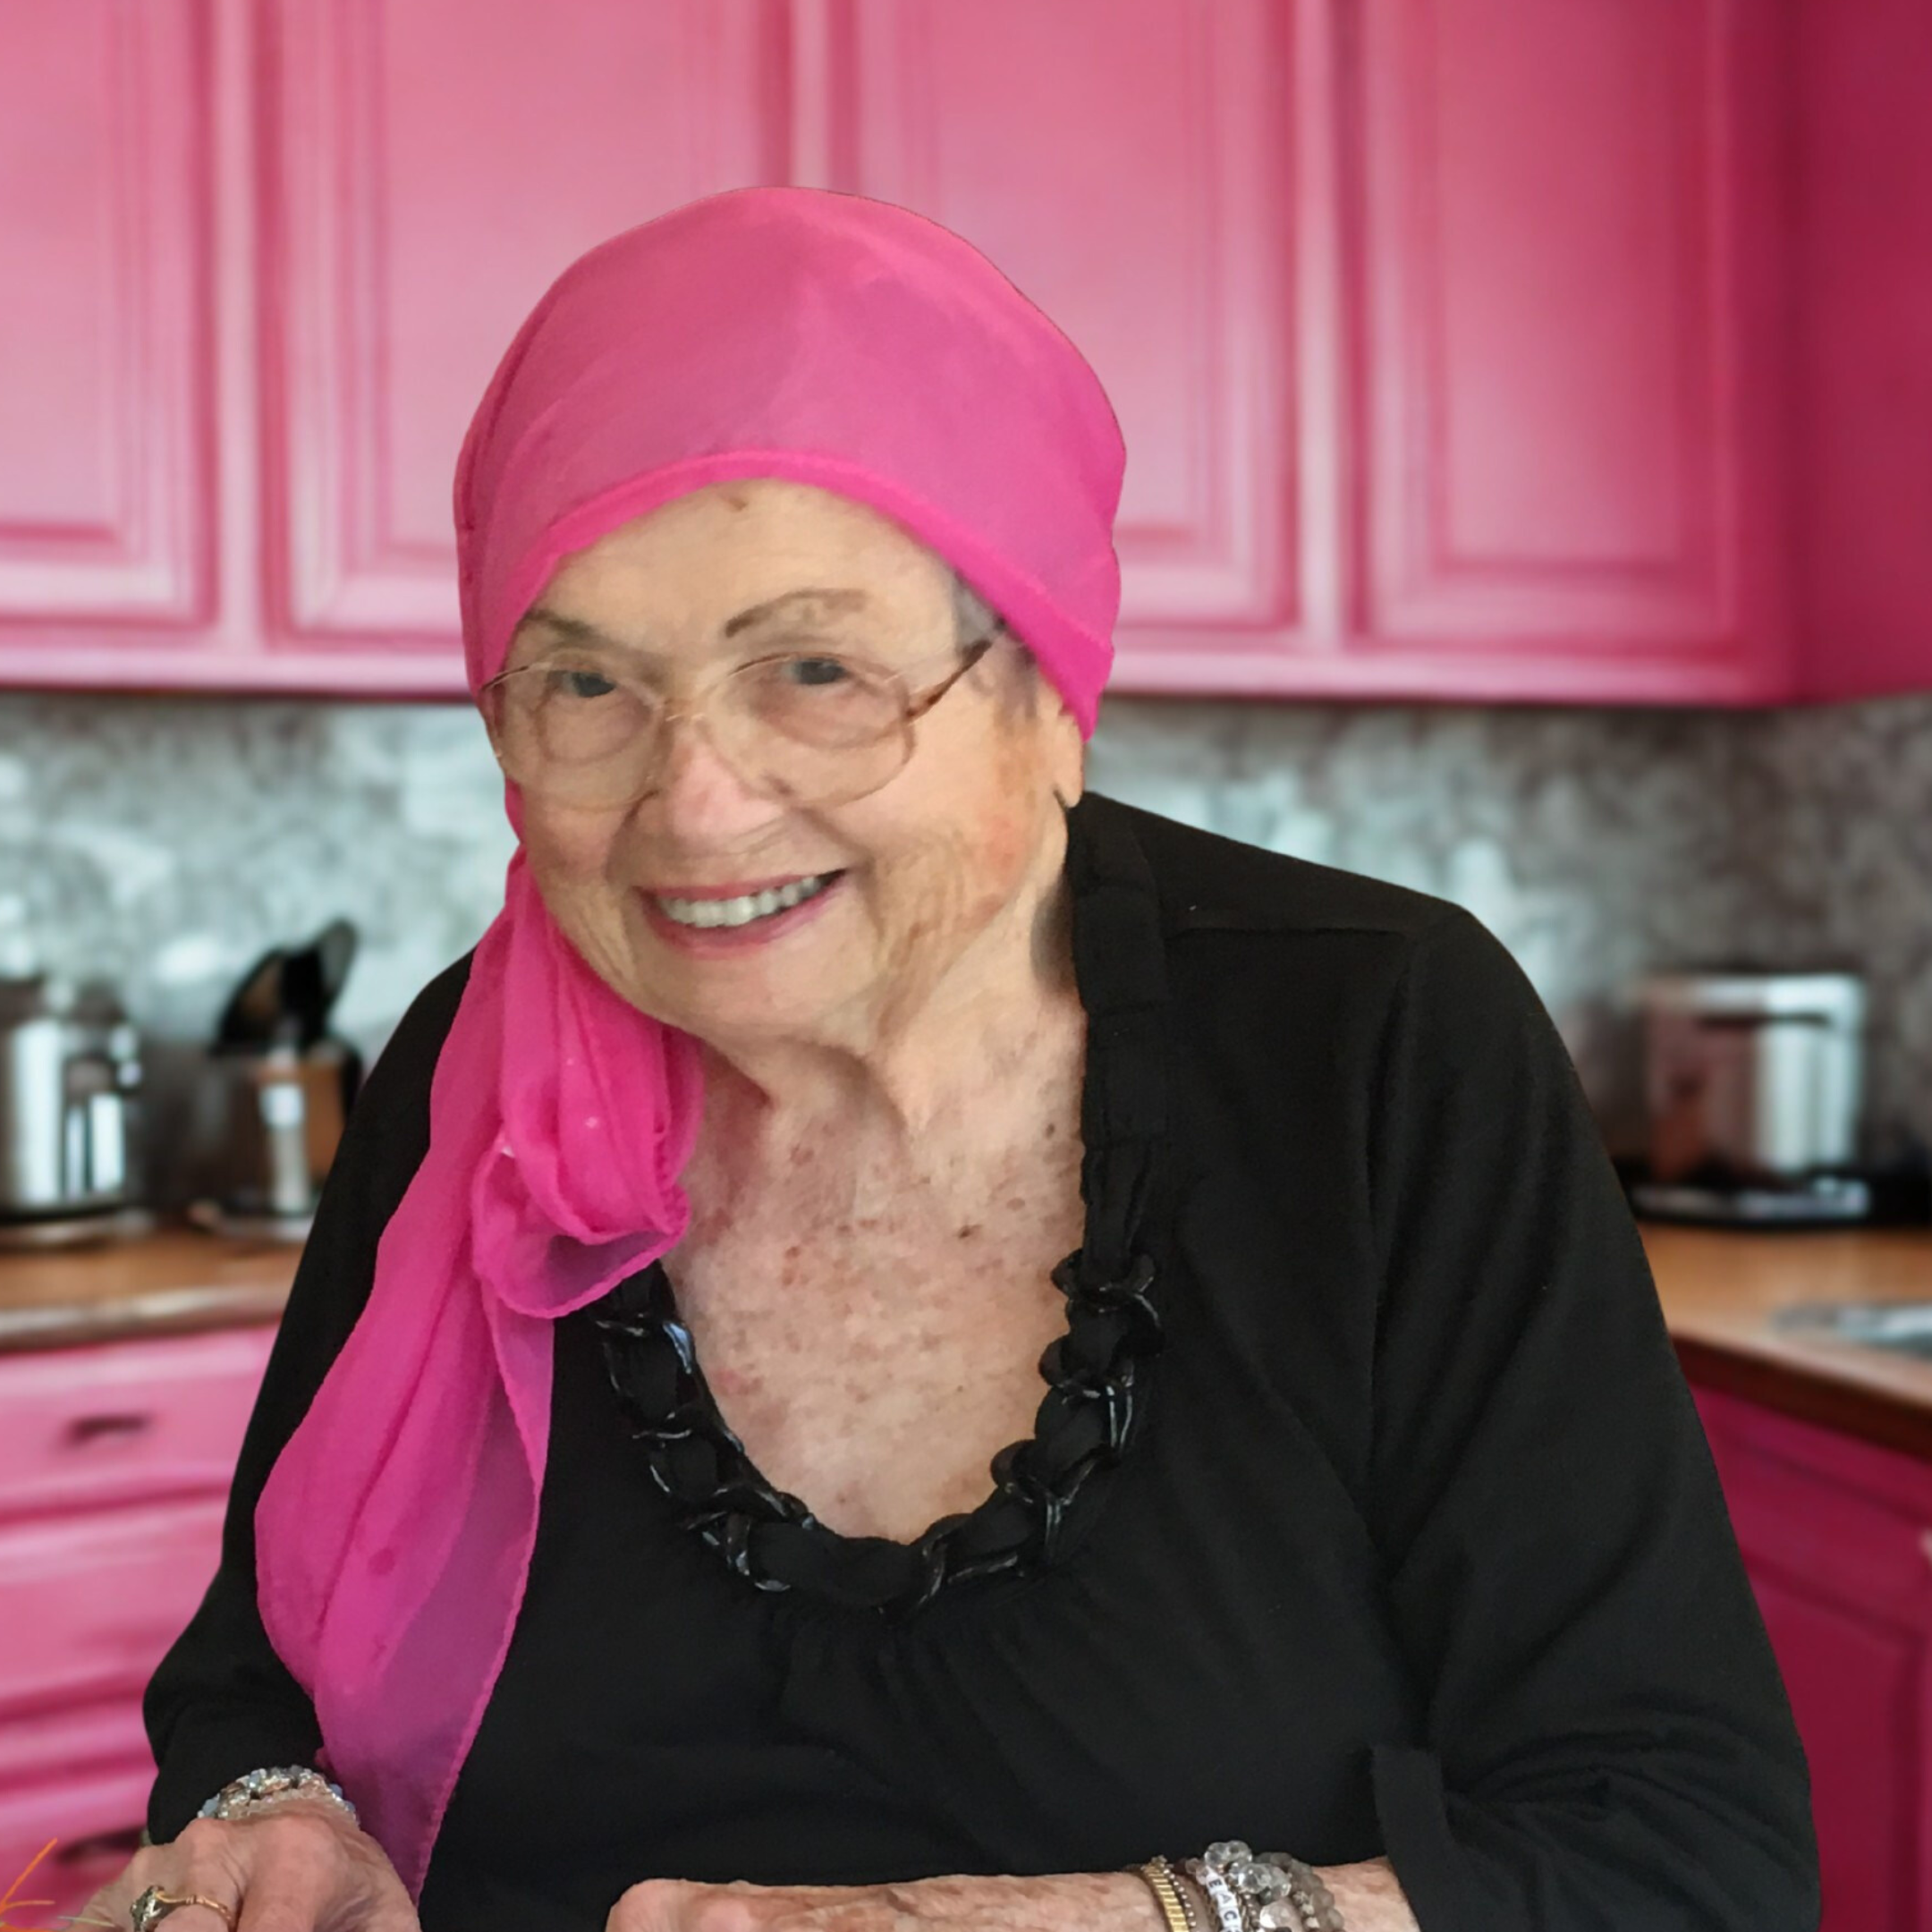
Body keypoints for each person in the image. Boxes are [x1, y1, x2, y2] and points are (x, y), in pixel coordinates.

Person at [97, 187, 1815, 1932]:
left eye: (816, 669)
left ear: (1047, 693)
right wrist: (272, 1817)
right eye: (586, 686)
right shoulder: (472, 1075)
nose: (697, 807)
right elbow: (258, 1683)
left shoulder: (1376, 1047)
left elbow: (1681, 1857)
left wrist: (1109, 1923)